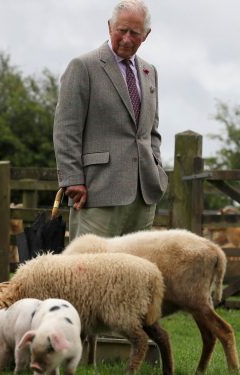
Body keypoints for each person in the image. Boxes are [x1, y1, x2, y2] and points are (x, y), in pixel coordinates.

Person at [53, 0, 168, 240]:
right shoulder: (83, 67)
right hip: (98, 192)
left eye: (134, 33)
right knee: (89, 272)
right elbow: (66, 128)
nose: (126, 38)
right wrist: (73, 179)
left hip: (143, 194)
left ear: (146, 35)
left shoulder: (150, 72)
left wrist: (156, 167)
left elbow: (151, 131)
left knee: (136, 273)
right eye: (121, 31)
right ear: (109, 27)